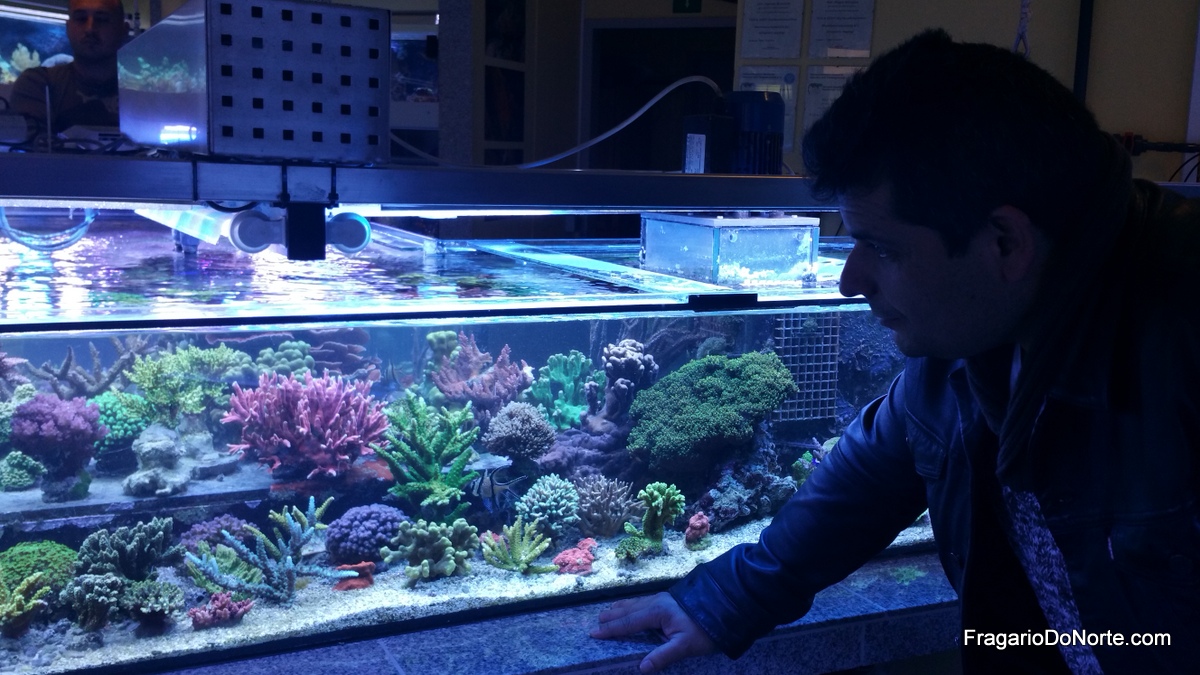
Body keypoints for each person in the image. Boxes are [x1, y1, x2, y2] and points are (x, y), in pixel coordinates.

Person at [592, 29, 1200, 674]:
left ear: (1004, 243)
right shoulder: (973, 333)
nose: (850, 281)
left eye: (881, 247)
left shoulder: (1179, 337)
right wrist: (722, 600)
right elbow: (875, 471)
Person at [11, 0, 128, 136]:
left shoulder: (144, 89)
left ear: (123, 30)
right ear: (68, 28)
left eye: (101, 19)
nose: (89, 28)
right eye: (81, 19)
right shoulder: (36, 84)